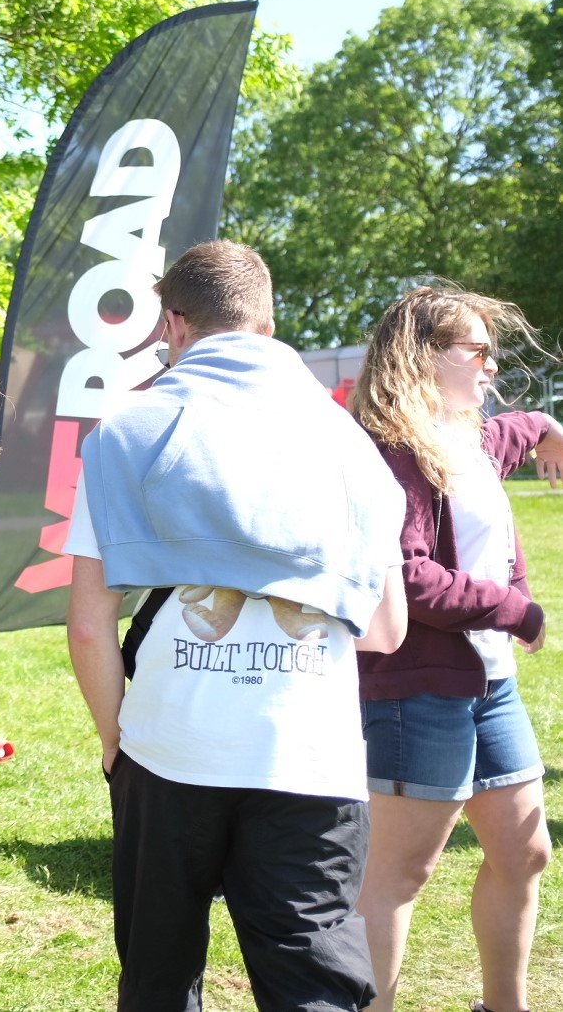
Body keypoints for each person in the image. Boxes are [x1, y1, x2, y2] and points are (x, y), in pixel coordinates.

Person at [63, 240, 408, 1012]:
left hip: (169, 742)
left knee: (158, 974)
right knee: (313, 982)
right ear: (269, 320)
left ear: (175, 324)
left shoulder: (127, 429)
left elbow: (89, 624)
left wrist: (116, 735)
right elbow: (386, 626)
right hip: (309, 750)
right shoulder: (355, 448)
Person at [346, 286, 563, 1012]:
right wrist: (513, 608)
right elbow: (405, 575)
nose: (492, 366)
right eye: (477, 350)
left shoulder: (463, 435)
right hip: (415, 689)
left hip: (490, 688)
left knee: (525, 851)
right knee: (399, 874)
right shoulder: (394, 449)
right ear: (423, 356)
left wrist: (546, 423)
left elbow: (511, 435)